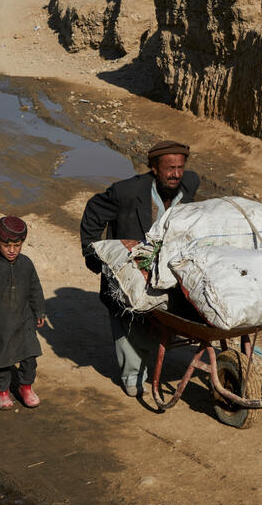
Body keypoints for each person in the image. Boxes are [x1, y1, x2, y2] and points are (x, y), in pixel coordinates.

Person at [79, 140, 198, 396]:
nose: (176, 174)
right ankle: (132, 376)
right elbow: (93, 213)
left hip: (165, 268)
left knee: (160, 319)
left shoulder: (189, 184)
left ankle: (150, 361)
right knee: (129, 320)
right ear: (154, 168)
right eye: (169, 168)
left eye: (180, 167)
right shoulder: (127, 192)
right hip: (130, 269)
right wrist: (98, 252)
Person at [0, 216, 46, 410]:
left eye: (17, 245)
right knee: (0, 360)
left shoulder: (27, 264)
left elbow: (35, 289)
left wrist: (39, 311)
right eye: (6, 245)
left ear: (22, 243)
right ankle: (2, 391)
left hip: (24, 321)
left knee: (30, 356)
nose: (12, 250)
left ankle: (25, 387)